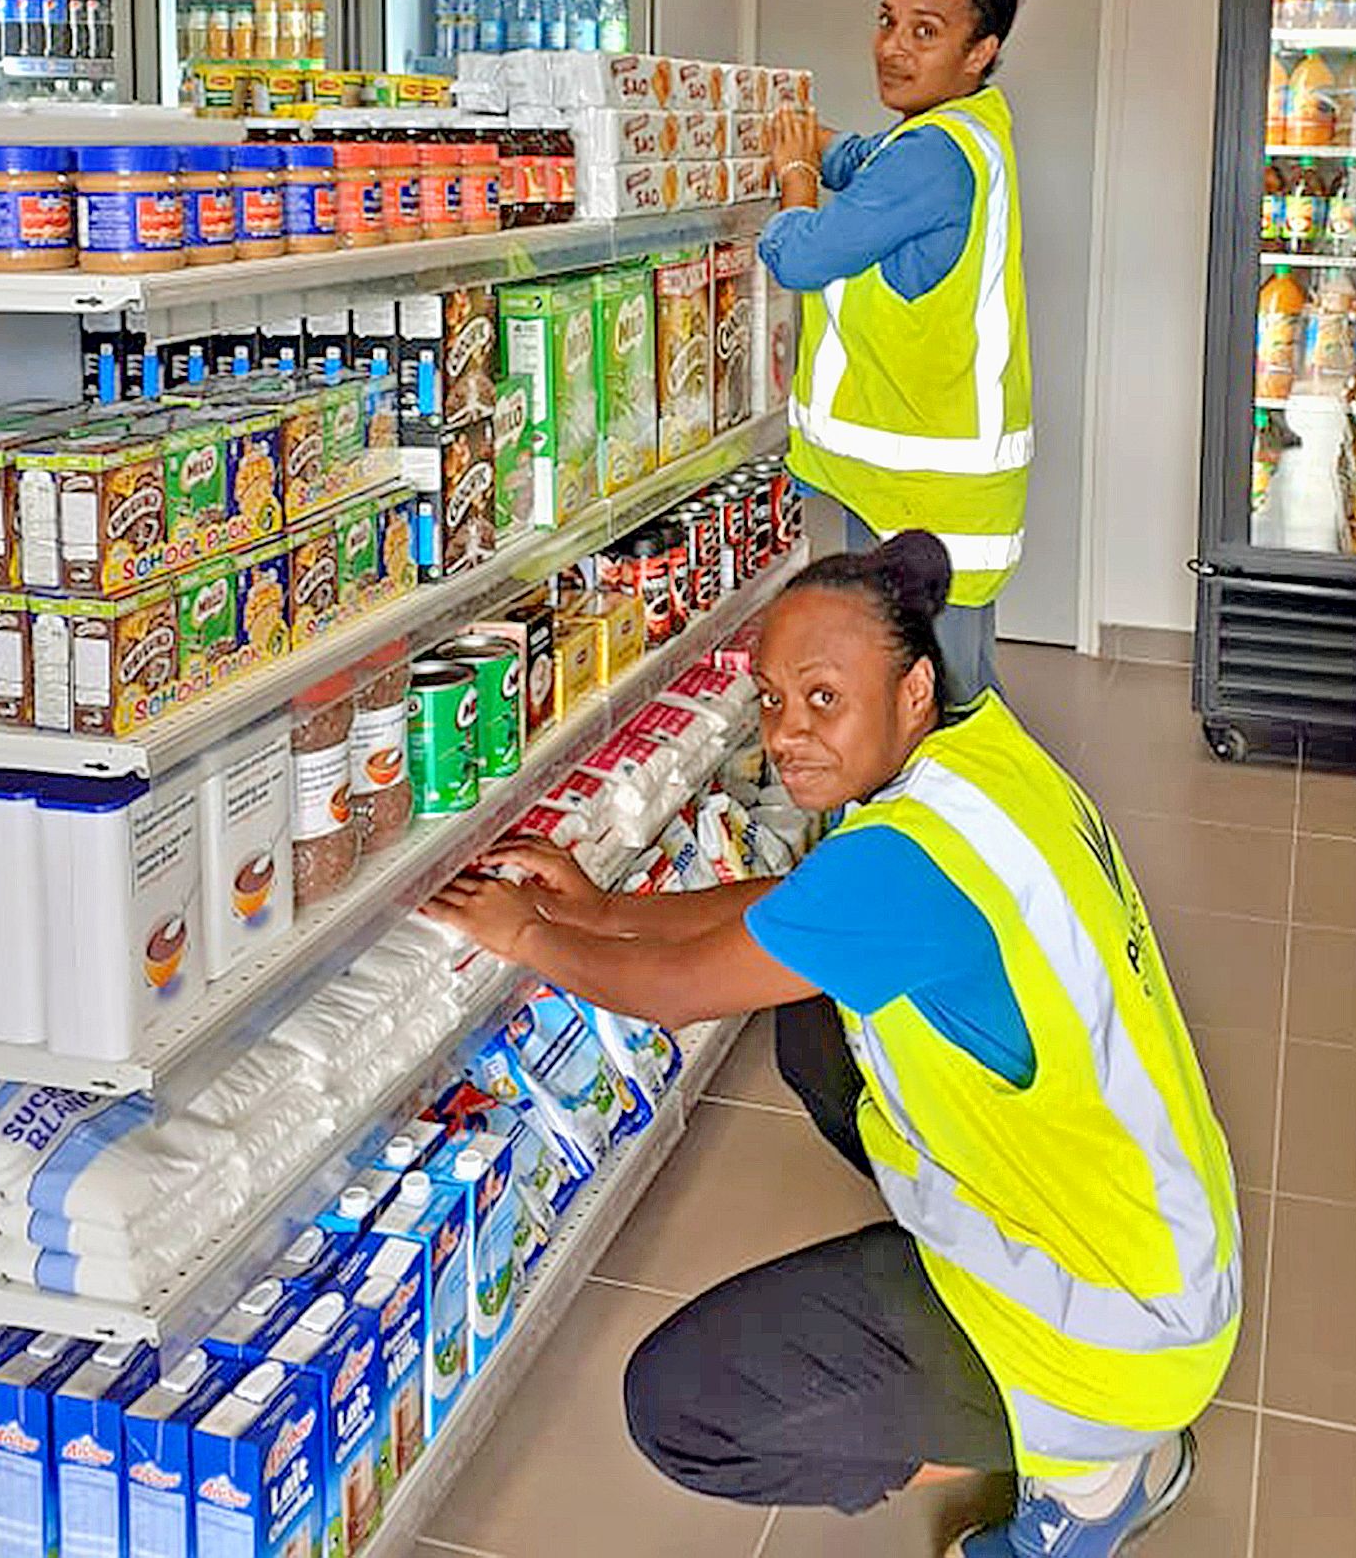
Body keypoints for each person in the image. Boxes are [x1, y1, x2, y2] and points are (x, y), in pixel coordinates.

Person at [433, 531, 1240, 1557]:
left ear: (907, 689)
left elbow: (679, 996)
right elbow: (796, 912)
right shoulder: (980, 754)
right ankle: (1076, 1410)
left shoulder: (904, 861)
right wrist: (595, 910)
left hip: (1113, 1318)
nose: (787, 734)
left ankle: (1088, 1466)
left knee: (682, 1407)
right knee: (814, 1030)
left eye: (823, 698)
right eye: (771, 700)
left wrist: (531, 935)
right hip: (1156, 1230)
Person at [761, 0, 1036, 706]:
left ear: (978, 52)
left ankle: (948, 831)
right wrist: (821, 141)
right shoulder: (962, 127)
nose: (892, 47)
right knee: (923, 686)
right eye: (886, 21)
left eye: (925, 31)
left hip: (924, 491)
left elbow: (801, 253)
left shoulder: (931, 151)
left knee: (935, 707)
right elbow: (871, 162)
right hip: (911, 483)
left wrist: (793, 173)